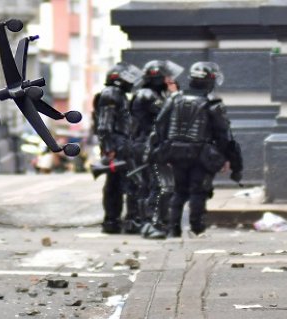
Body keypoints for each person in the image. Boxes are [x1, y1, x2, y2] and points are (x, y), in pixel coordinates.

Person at [152, 61, 243, 237]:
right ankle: (197, 228)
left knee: (179, 191)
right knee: (198, 191)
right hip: (200, 154)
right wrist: (232, 162)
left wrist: (162, 150)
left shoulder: (174, 98)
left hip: (174, 152)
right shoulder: (213, 104)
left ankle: (173, 228)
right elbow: (224, 136)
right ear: (210, 81)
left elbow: (160, 126)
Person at [131, 60, 183, 239]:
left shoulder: (153, 93)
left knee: (153, 185)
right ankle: (150, 223)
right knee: (159, 185)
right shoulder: (147, 95)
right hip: (148, 145)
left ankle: (152, 223)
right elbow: (168, 114)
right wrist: (175, 95)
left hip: (151, 144)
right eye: (167, 77)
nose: (170, 80)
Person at [93, 62, 142, 234]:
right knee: (129, 184)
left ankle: (114, 222)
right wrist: (109, 149)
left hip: (121, 143)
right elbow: (104, 125)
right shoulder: (112, 93)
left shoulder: (117, 94)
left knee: (118, 184)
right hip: (118, 145)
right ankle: (124, 221)